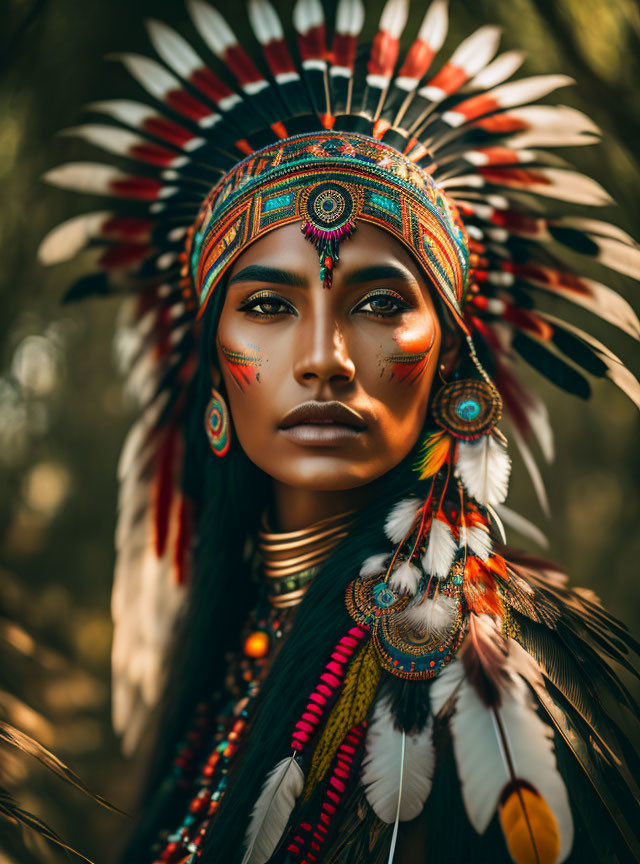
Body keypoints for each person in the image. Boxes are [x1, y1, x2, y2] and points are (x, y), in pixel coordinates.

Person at [38, 1, 640, 862]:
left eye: (381, 303)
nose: (323, 359)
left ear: (449, 368)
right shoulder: (235, 648)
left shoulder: (486, 686)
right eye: (270, 306)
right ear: (216, 372)